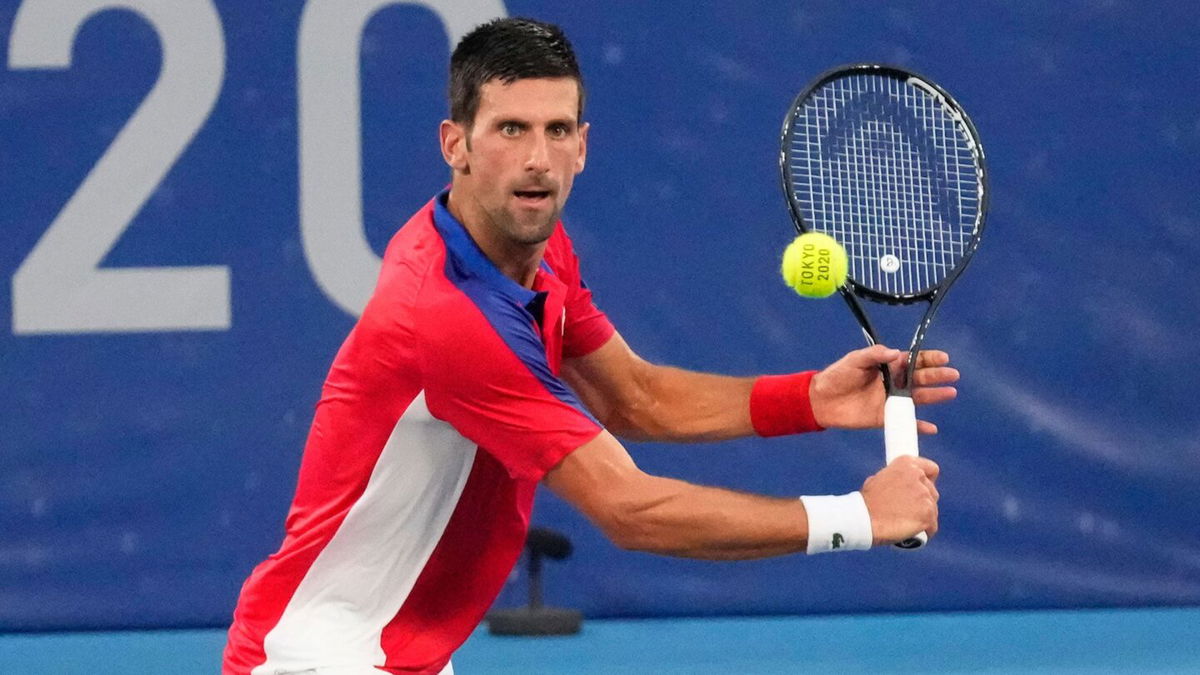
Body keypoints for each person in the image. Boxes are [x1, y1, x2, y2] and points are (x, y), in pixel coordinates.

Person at [222, 17, 957, 675]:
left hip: (396, 651)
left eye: (557, 130)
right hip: (314, 656)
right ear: (457, 146)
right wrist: (857, 517)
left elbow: (631, 396)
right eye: (510, 129)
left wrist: (808, 399)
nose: (537, 158)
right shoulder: (446, 317)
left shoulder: (535, 247)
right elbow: (630, 509)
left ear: (583, 146)